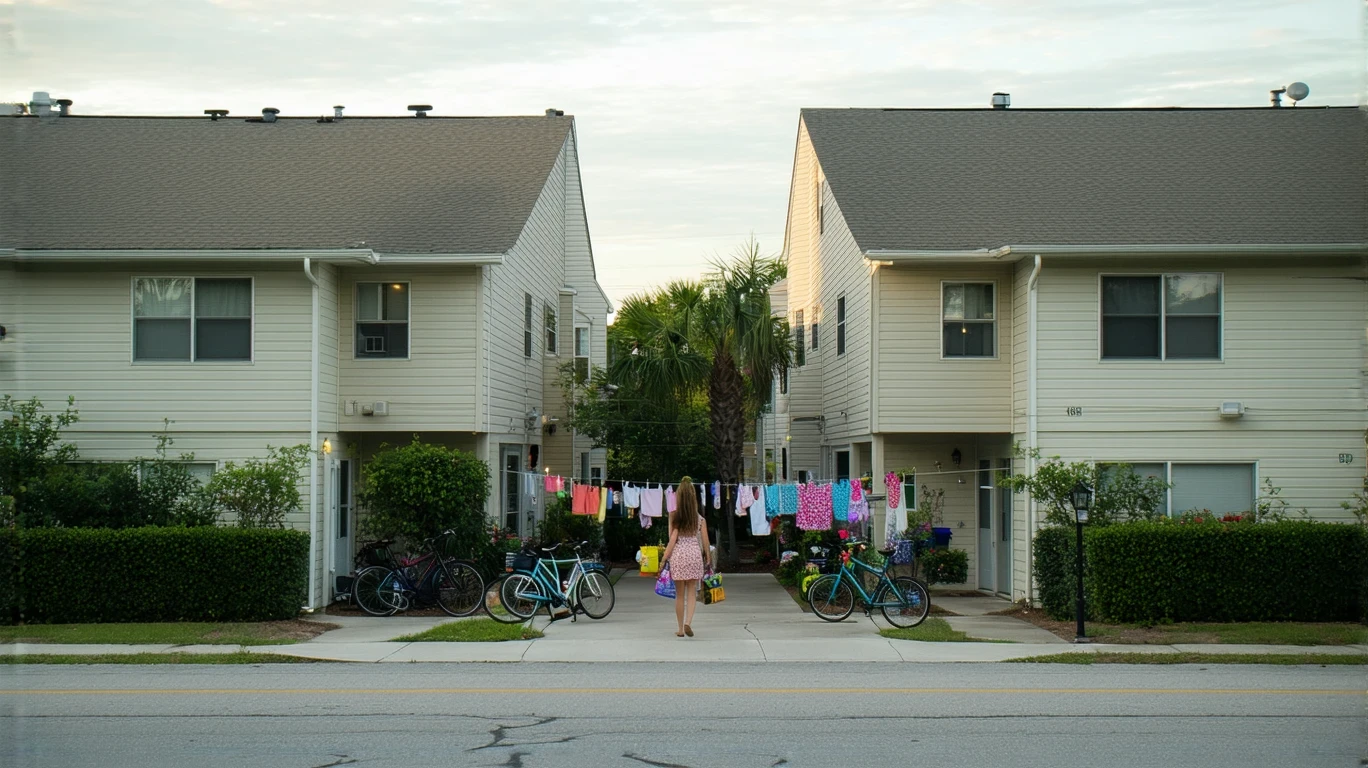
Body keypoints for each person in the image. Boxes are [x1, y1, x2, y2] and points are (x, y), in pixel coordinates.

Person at [661, 476, 710, 637]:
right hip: (694, 556)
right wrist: (708, 559)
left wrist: (663, 560)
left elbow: (672, 540)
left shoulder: (676, 517)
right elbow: (705, 542)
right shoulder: (700, 519)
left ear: (679, 497)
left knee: (679, 595)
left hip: (679, 556)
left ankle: (681, 629)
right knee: (691, 593)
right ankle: (689, 622)